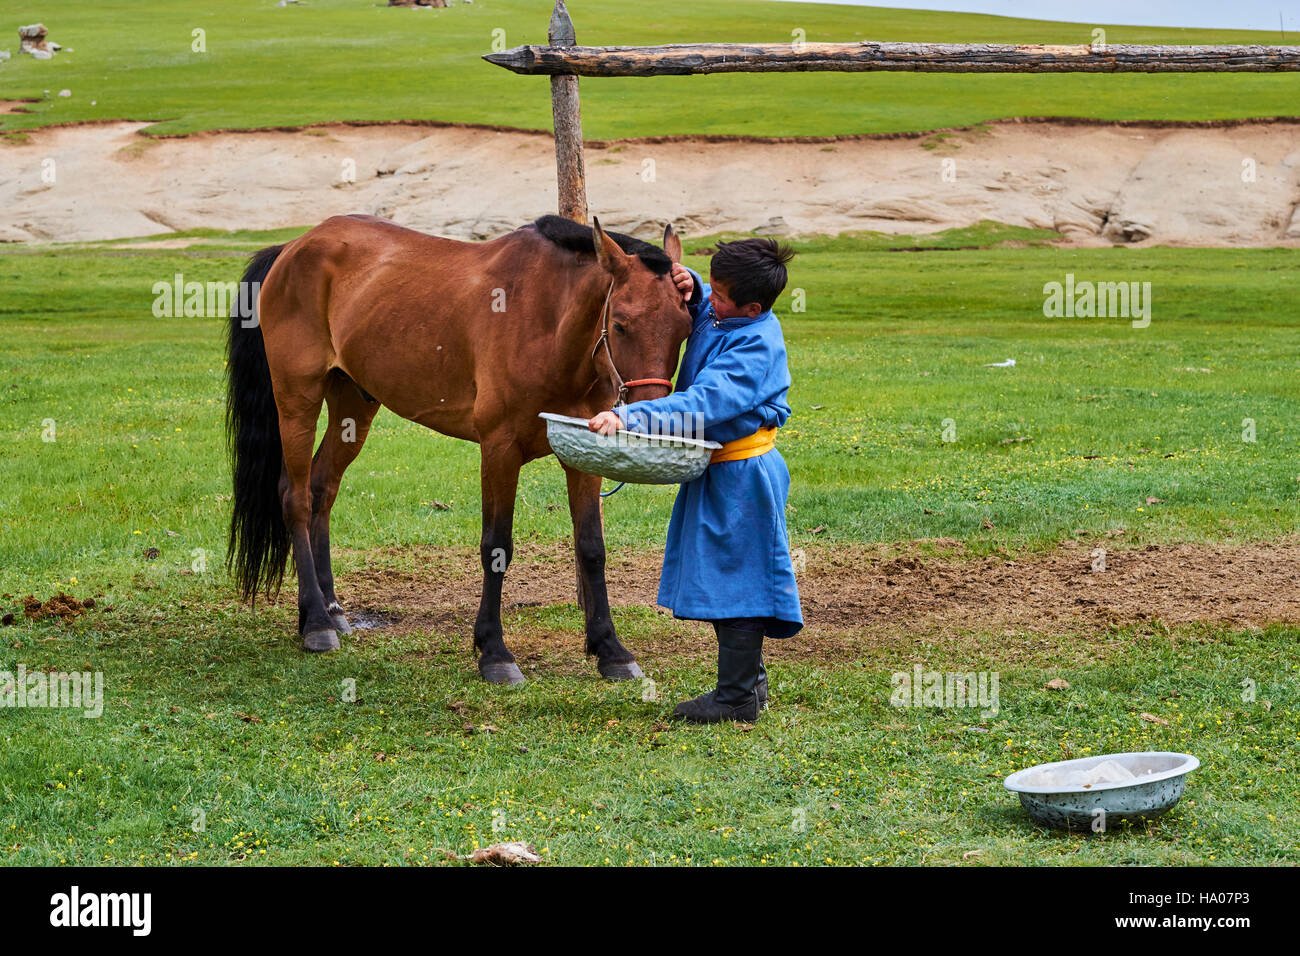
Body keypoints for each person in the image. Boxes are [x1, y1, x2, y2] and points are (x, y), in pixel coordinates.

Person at [588, 237, 802, 723]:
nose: (711, 303)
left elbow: (702, 404)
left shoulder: (755, 346)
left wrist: (630, 417)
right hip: (718, 470)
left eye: (720, 295)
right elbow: (703, 307)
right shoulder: (727, 314)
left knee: (741, 579)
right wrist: (696, 285)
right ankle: (750, 682)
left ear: (752, 307)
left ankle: (736, 698)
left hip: (745, 474)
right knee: (723, 574)